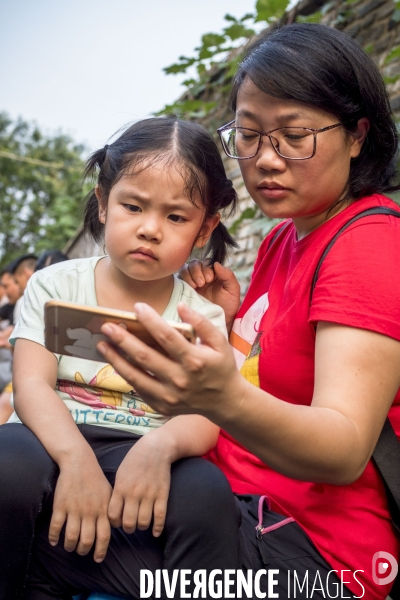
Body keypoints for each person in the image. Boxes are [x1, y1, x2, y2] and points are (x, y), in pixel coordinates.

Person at [96, 23, 400, 600]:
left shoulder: (368, 242)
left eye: (294, 136)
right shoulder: (282, 242)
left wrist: (219, 397)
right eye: (250, 135)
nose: (265, 160)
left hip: (316, 554)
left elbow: (342, 448)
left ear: (358, 135)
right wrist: (229, 326)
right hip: (228, 504)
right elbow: (268, 374)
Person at [0, 117, 240, 599]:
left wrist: (159, 448)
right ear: (103, 203)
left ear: (204, 228)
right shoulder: (56, 284)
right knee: (9, 463)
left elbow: (207, 412)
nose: (150, 229)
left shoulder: (202, 313)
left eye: (176, 217)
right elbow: (30, 386)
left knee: (206, 493)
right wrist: (75, 460)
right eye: (133, 206)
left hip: (148, 448)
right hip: (53, 435)